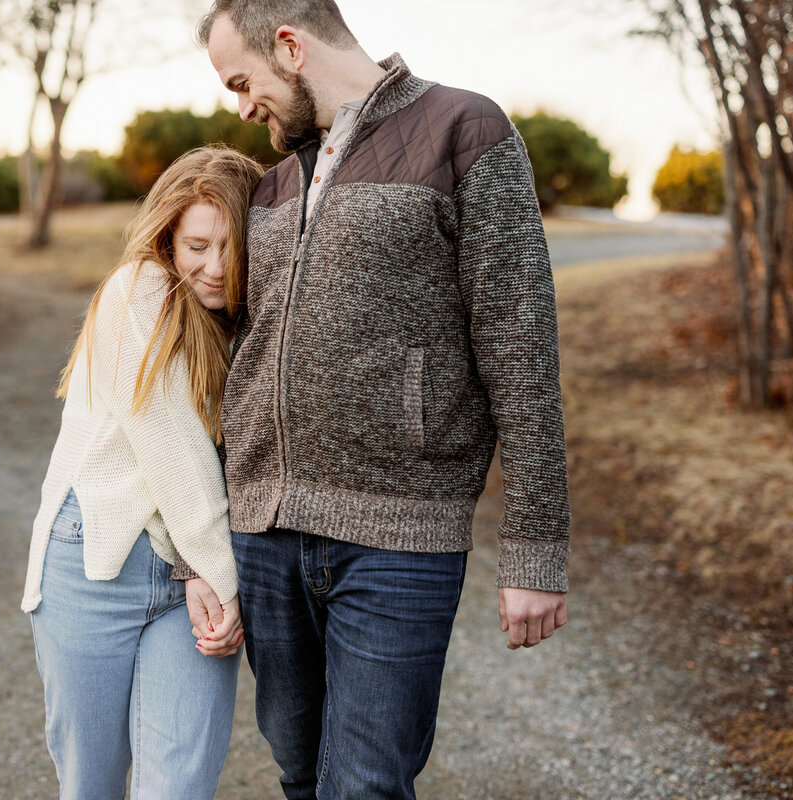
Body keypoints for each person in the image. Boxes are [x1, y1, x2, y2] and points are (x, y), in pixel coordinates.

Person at [187, 2, 573, 798]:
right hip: (263, 536)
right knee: (301, 776)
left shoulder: (463, 130)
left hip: (397, 538)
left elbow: (521, 344)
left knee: (363, 785)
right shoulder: (269, 187)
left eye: (242, 82)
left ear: (290, 47)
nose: (241, 107)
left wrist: (536, 547)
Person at [19, 145, 265, 800]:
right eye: (196, 246)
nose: (214, 268)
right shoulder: (138, 290)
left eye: (231, 247)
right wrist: (220, 574)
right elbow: (174, 447)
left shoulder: (252, 318)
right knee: (91, 786)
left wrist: (200, 569)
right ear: (167, 237)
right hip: (97, 566)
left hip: (192, 565)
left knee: (179, 787)